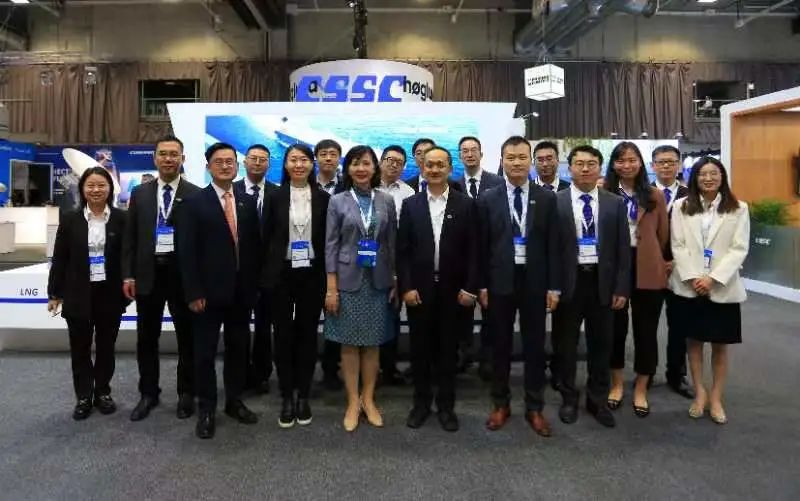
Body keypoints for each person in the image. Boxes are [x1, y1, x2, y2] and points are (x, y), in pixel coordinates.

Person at [178, 142, 261, 439]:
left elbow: (253, 248)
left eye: (230, 161)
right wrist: (193, 292)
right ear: (208, 166)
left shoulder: (247, 201)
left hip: (240, 293)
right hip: (207, 295)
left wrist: (253, 288)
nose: (225, 166)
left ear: (237, 165)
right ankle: (207, 409)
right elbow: (186, 252)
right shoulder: (193, 203)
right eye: (219, 161)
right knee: (204, 354)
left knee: (238, 349)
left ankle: (233, 401)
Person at [478, 136, 560, 438]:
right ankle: (501, 404)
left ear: (531, 160)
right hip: (499, 281)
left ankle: (534, 407)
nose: (516, 163)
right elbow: (481, 247)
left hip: (535, 281)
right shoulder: (488, 198)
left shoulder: (547, 198)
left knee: (535, 346)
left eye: (522, 157)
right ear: (502, 161)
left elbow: (554, 246)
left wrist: (554, 287)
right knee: (499, 345)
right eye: (510, 157)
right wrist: (482, 285)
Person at [399, 146, 479, 432]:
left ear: (449, 168)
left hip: (453, 291)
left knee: (448, 351)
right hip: (419, 291)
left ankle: (446, 406)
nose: (434, 169)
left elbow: (475, 251)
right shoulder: (411, 204)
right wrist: (406, 287)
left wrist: (470, 288)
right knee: (419, 351)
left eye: (440, 165)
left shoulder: (466, 204)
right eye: (429, 165)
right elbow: (403, 251)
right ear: (422, 168)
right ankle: (421, 404)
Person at [123, 135, 200, 422]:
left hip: (182, 277)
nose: (168, 159)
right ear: (154, 158)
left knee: (187, 339)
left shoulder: (195, 194)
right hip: (148, 275)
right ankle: (148, 393)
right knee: (146, 339)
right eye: (163, 154)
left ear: (183, 159)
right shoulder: (140, 193)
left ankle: (186, 393)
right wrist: (128, 274)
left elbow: (200, 243)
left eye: (174, 154)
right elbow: (130, 237)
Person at [554, 145, 630, 428]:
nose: (585, 168)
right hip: (569, 282)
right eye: (579, 163)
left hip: (603, 282)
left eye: (591, 163)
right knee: (566, 345)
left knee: (601, 344)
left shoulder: (615, 203)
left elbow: (623, 249)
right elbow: (551, 249)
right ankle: (568, 398)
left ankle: (597, 400)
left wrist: (622, 288)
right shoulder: (556, 201)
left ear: (599, 167)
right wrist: (552, 286)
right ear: (570, 168)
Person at [669, 157, 749, 425]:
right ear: (695, 178)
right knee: (693, 343)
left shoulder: (738, 208)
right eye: (702, 174)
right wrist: (694, 277)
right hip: (690, 286)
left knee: (720, 345)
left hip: (722, 287)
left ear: (722, 176)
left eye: (714, 173)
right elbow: (678, 245)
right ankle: (700, 394)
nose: (708, 178)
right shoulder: (681, 206)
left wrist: (713, 278)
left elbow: (739, 248)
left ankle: (716, 398)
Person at [324, 145, 397, 432]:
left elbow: (391, 243)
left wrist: (395, 278)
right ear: (348, 169)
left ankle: (368, 398)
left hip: (378, 280)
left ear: (375, 167)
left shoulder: (386, 200)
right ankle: (353, 401)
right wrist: (331, 288)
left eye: (366, 163)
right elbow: (331, 245)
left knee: (372, 343)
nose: (361, 169)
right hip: (347, 280)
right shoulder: (337, 201)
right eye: (355, 163)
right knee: (349, 344)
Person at [47, 167, 128, 420]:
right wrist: (55, 293)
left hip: (109, 293)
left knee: (106, 347)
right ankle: (83, 396)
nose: (96, 190)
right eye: (90, 185)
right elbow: (60, 258)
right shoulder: (70, 219)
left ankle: (103, 392)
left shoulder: (121, 219)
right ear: (82, 189)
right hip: (77, 293)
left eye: (101, 185)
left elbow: (127, 256)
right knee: (80, 348)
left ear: (110, 189)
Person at [262, 144, 329, 428]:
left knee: (307, 334)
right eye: (293, 160)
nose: (299, 165)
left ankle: (303, 394)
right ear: (286, 164)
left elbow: (328, 240)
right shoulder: (274, 196)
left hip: (312, 273)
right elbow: (265, 237)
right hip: (281, 273)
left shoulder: (324, 198)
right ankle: (287, 394)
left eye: (304, 160)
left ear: (312, 164)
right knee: (282, 334)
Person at [605, 142, 669, 418]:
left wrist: (657, 259)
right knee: (615, 329)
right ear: (613, 164)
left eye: (632, 160)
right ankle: (617, 384)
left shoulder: (654, 195)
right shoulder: (604, 192)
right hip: (614, 267)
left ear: (641, 163)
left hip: (647, 266)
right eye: (621, 160)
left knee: (646, 331)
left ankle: (641, 387)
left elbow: (663, 235)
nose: (627, 165)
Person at [455, 136, 502, 381]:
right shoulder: (452, 184)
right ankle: (462, 356)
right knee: (461, 313)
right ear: (460, 156)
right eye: (465, 151)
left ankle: (488, 360)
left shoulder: (497, 182)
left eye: (474, 150)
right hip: (461, 260)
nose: (470, 154)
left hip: (490, 256)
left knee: (490, 313)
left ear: (481, 154)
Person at [233, 144, 278, 394]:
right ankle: (239, 373)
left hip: (269, 271)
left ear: (269, 164)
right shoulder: (231, 190)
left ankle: (262, 374)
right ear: (245, 161)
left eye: (263, 159)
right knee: (238, 326)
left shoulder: (278, 193)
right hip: (239, 271)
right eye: (254, 158)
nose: (258, 163)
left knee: (264, 326)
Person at [651, 144, 693, 399]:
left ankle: (676, 374)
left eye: (671, 161)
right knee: (646, 325)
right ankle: (646, 372)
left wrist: (676, 261)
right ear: (653, 166)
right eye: (661, 162)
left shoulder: (692, 195)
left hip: (680, 269)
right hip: (649, 270)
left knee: (679, 326)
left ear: (678, 165)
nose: (666, 166)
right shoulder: (643, 193)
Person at [532, 140, 570, 390]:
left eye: (549, 158)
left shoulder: (569, 189)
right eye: (540, 159)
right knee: (533, 322)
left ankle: (559, 369)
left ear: (558, 161)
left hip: (564, 264)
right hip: (535, 265)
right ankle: (535, 366)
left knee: (563, 322)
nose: (545, 163)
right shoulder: (526, 191)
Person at [376, 145, 415, 386]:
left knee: (392, 315)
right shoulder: (367, 187)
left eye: (399, 162)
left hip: (396, 259)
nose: (393, 164)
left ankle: (389, 368)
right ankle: (367, 368)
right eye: (389, 159)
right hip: (368, 259)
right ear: (380, 162)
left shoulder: (408, 192)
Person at [315, 139, 346, 391]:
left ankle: (331, 369)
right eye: (323, 154)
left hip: (340, 261)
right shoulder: (304, 184)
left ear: (339, 158)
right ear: (316, 158)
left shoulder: (348, 186)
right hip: (312, 259)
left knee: (336, 318)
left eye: (333, 154)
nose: (328, 158)